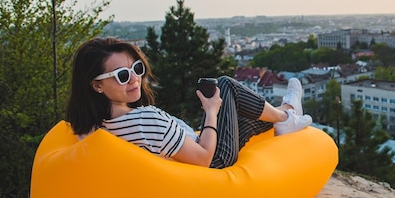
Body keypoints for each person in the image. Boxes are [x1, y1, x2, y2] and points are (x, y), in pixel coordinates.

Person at [66, 37, 311, 168]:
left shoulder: (97, 127)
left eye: (136, 68)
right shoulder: (144, 121)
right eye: (122, 75)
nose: (135, 79)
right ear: (96, 85)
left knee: (243, 112)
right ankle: (286, 116)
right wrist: (211, 111)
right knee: (225, 86)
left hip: (191, 152)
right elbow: (204, 158)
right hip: (214, 161)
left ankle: (283, 113)